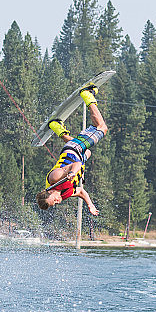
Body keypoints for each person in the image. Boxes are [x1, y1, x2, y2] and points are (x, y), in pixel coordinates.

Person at [35, 85, 107, 215]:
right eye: (55, 204)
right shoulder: (64, 194)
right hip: (78, 153)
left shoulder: (54, 178)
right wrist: (90, 205)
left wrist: (73, 172)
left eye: (54, 201)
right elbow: (80, 191)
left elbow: (76, 164)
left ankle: (87, 95)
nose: (57, 202)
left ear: (50, 192)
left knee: (102, 128)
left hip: (74, 150)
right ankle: (56, 126)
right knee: (88, 152)